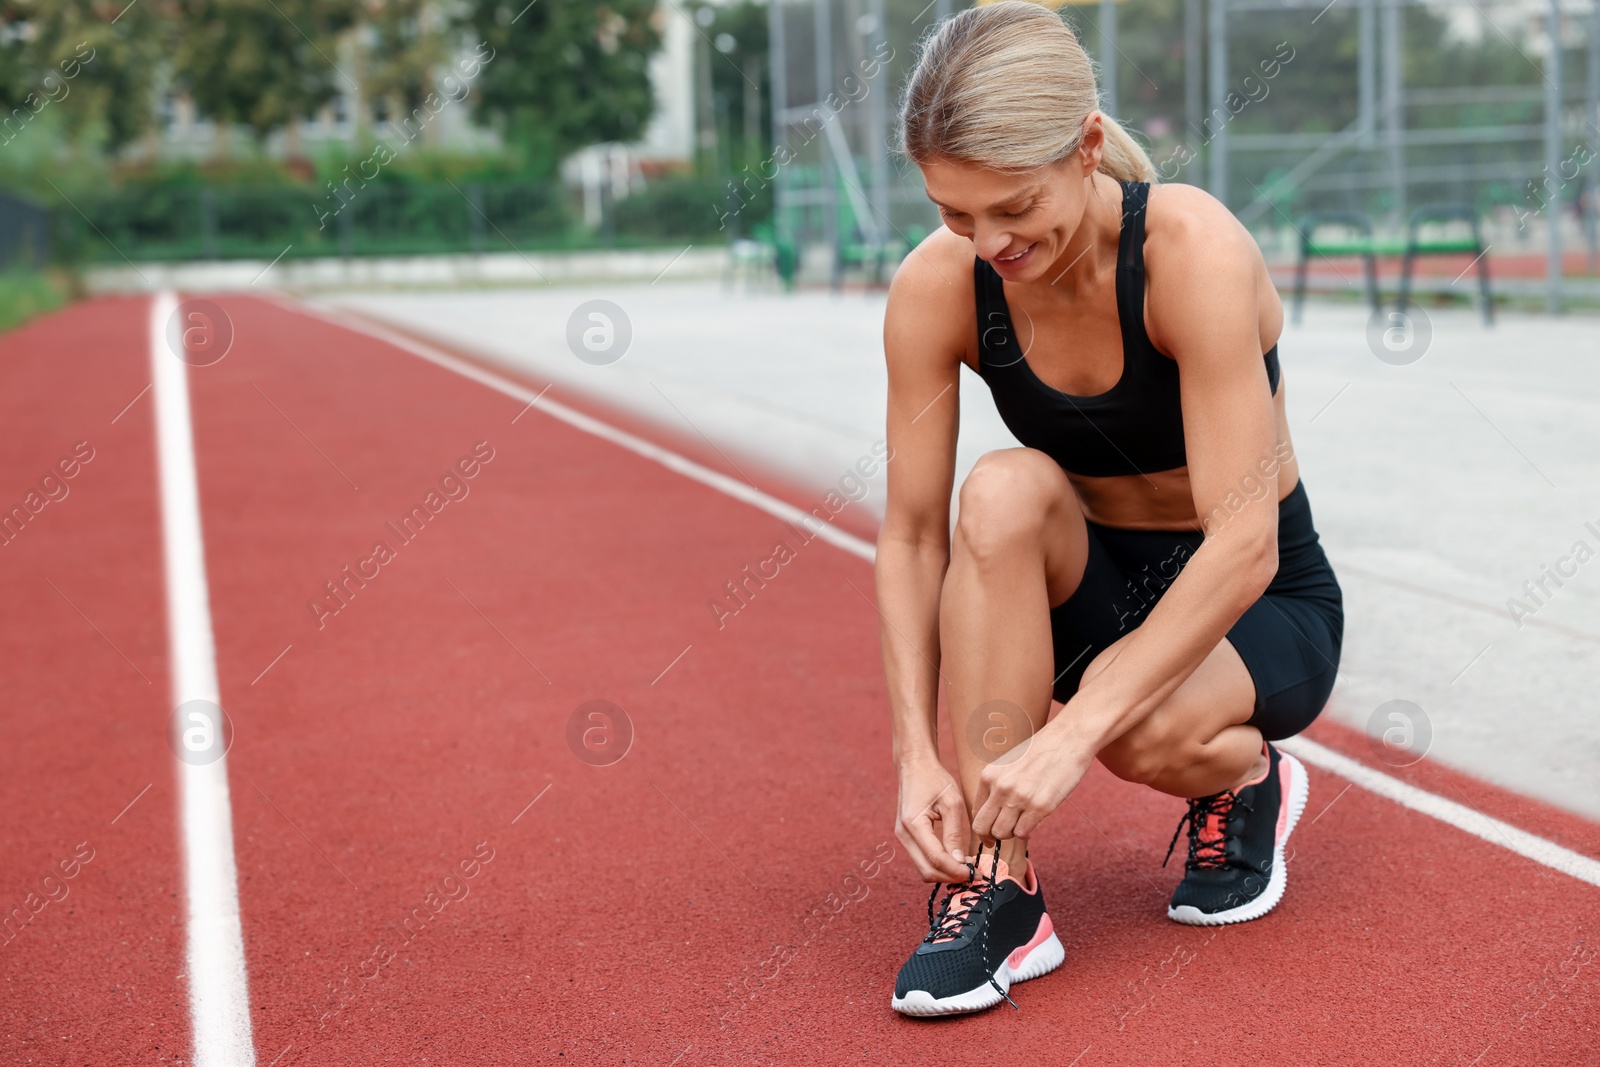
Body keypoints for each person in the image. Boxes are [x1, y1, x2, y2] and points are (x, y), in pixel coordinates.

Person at [876, 2, 1344, 1017]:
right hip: (1096, 581)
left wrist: (1070, 731)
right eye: (956, 213)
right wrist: (915, 754)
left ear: (1086, 146)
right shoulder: (935, 286)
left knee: (1137, 732)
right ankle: (998, 885)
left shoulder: (1190, 251)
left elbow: (1243, 542)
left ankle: (1244, 777)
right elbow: (913, 535)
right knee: (998, 489)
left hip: (1255, 601)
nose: (987, 240)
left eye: (1011, 205)